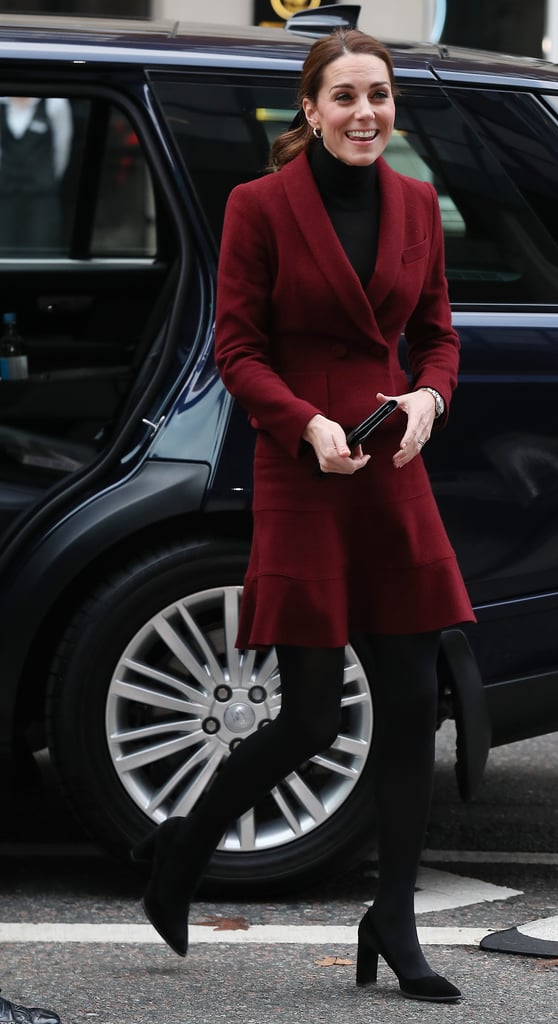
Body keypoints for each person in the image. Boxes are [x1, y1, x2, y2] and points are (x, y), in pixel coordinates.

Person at [132, 28, 475, 1004]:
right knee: (314, 716)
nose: (365, 113)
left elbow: (438, 337)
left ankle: (394, 921)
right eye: (345, 98)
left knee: (413, 707)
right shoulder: (260, 207)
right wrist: (308, 426)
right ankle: (180, 850)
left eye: (379, 96)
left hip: (391, 467)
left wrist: (426, 400)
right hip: (307, 465)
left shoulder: (415, 204)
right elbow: (237, 350)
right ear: (311, 110)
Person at [0, 97, 73, 254]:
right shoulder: (2, 102)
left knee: (42, 255)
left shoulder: (55, 103)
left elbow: (62, 149)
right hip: (5, 197)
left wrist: (45, 180)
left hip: (42, 200)